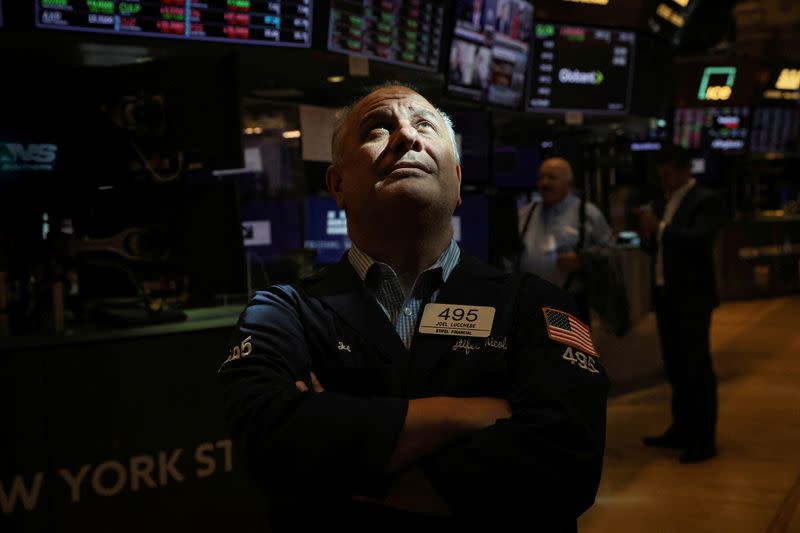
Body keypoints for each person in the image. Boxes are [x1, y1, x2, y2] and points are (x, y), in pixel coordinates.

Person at [219, 84, 608, 532]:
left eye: (425, 124)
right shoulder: (282, 312)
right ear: (338, 184)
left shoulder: (535, 302)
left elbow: (567, 467)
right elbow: (268, 442)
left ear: (458, 181)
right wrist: (465, 413)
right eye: (378, 129)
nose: (406, 136)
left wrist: (350, 471)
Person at [636, 145, 725, 464]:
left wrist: (658, 227)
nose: (664, 175)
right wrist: (647, 234)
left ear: (685, 169)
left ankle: (704, 438)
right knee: (675, 367)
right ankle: (682, 428)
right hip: (666, 295)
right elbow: (657, 248)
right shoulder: (663, 201)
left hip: (693, 297)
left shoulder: (706, 199)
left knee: (696, 367)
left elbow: (699, 239)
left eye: (669, 170)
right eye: (661, 170)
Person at [517, 157, 614, 323]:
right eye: (541, 177)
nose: (545, 183)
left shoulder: (587, 213)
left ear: (569, 182)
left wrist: (582, 259)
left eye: (552, 178)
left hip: (570, 302)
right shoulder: (527, 212)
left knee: (568, 348)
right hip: (530, 302)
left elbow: (611, 252)